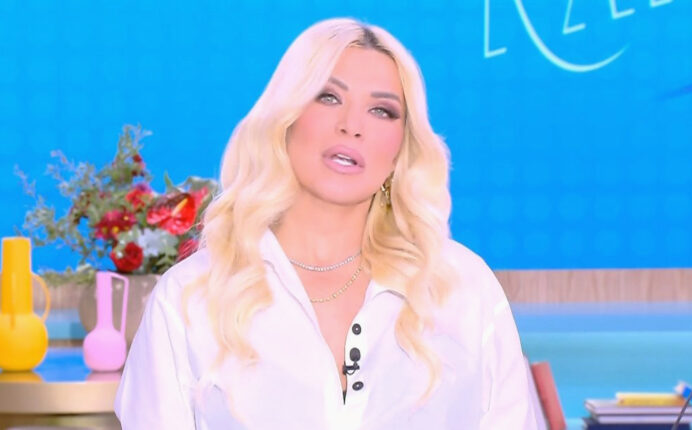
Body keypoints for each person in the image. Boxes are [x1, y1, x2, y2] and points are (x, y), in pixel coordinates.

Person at [115, 18, 537, 429]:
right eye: (328, 97)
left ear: (401, 149)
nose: (351, 126)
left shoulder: (463, 288)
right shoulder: (190, 299)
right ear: (285, 120)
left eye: (382, 111)